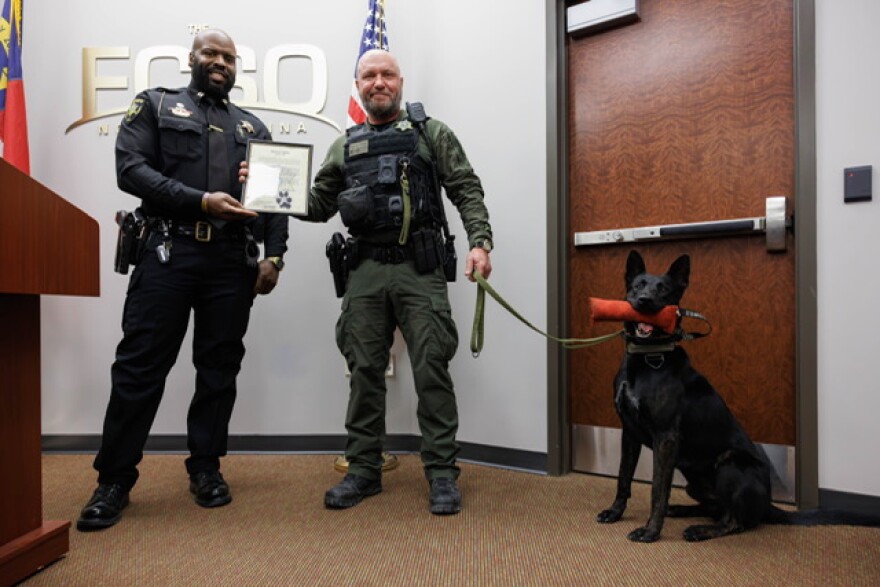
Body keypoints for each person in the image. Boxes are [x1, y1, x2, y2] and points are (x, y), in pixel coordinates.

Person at [250, 49, 492, 515]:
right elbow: (318, 204)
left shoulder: (430, 133)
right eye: (368, 76)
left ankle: (442, 473)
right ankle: (363, 469)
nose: (378, 82)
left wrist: (480, 242)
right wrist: (266, 182)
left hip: (419, 269)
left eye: (386, 74)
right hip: (364, 271)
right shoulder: (344, 145)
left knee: (431, 370)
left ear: (400, 81)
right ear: (357, 85)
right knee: (363, 370)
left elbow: (466, 187)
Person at [76, 29, 289, 532]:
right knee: (140, 366)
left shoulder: (254, 128)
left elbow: (277, 201)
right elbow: (130, 170)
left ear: (238, 68)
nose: (220, 62)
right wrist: (199, 201)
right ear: (192, 59)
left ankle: (206, 468)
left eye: (229, 57)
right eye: (211, 53)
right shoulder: (154, 105)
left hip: (231, 263)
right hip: (168, 253)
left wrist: (275, 257)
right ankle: (114, 479)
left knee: (219, 368)